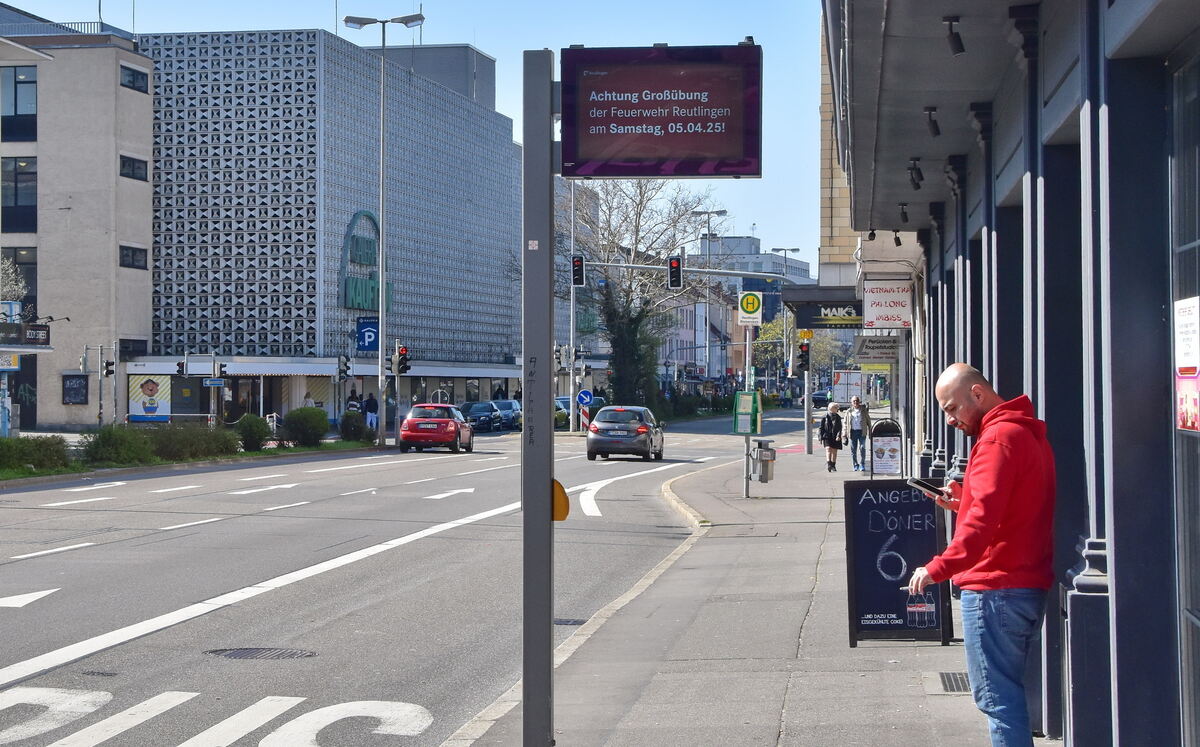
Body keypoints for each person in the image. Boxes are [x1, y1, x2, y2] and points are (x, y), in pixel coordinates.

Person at [906, 363, 1055, 747]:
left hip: (994, 587)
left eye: (952, 408)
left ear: (977, 394)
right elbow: (1011, 508)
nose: (951, 419)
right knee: (1007, 697)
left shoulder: (995, 441)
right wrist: (962, 501)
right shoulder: (1025, 433)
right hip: (1024, 581)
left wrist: (937, 567)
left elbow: (981, 525)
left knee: (997, 702)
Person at [846, 395, 872, 471]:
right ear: (851, 403)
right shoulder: (849, 411)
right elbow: (845, 423)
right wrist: (844, 433)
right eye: (854, 401)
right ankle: (855, 464)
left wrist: (870, 431)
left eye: (857, 401)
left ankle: (862, 464)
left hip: (861, 432)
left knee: (862, 448)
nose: (855, 402)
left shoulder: (863, 410)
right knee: (853, 450)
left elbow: (868, 421)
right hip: (853, 432)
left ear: (859, 402)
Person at [817, 402, 843, 472]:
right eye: (835, 408)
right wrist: (820, 437)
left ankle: (833, 465)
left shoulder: (838, 417)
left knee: (834, 451)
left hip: (835, 436)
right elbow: (821, 428)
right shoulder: (824, 417)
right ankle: (829, 464)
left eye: (836, 408)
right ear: (831, 408)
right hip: (827, 435)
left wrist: (838, 436)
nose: (836, 409)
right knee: (828, 449)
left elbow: (840, 428)